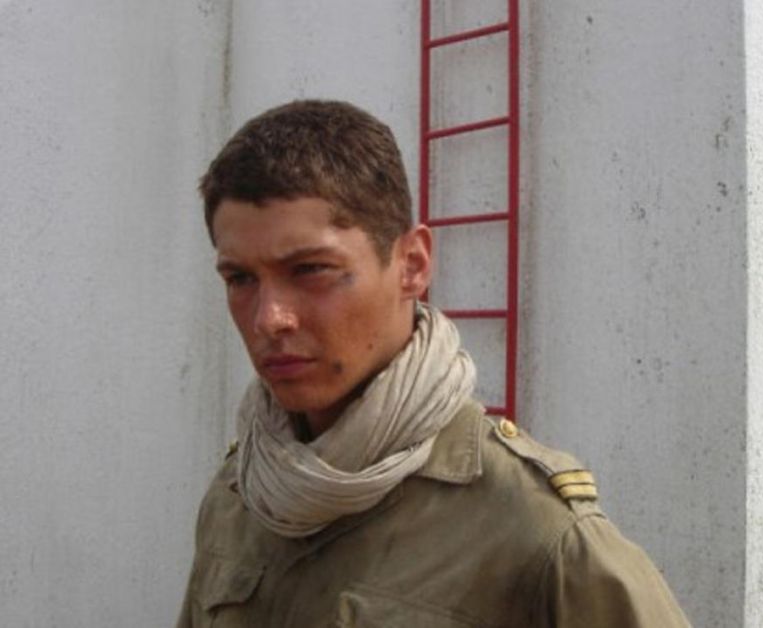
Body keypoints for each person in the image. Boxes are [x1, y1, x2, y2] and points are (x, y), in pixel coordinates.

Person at [176, 100, 690, 627]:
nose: (269, 319)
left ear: (412, 265)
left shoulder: (537, 534)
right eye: (240, 279)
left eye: (310, 270)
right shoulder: (240, 495)